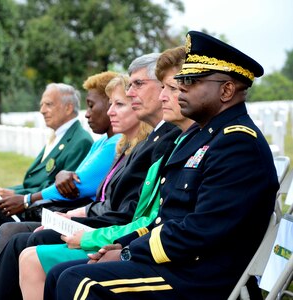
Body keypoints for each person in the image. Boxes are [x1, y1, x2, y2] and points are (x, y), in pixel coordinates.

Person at [44, 30, 279, 300]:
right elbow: (165, 219)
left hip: (201, 278)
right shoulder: (203, 137)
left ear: (226, 90)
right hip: (179, 262)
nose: (181, 90)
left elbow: (200, 231)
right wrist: (122, 244)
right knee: (60, 274)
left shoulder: (237, 143)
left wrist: (127, 252)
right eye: (180, 81)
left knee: (80, 281)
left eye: (190, 81)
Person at [0, 54, 181, 300]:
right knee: (9, 234)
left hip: (119, 231)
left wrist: (30, 200)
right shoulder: (133, 144)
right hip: (112, 226)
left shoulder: (158, 141)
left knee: (27, 244)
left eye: (136, 87)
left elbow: (106, 199)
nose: (112, 111)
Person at [0, 83, 94, 294]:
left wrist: (20, 196)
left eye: (49, 104)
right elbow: (31, 182)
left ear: (69, 107)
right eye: (42, 104)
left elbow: (62, 189)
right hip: (28, 201)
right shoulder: (57, 137)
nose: (42, 109)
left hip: (41, 209)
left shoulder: (79, 140)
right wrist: (5, 190)